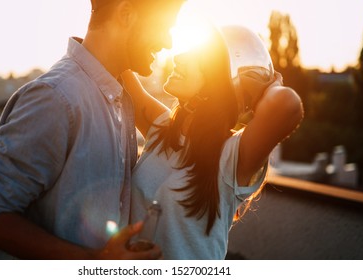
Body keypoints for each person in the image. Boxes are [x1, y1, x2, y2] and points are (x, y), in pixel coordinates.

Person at [0, 0, 184, 259]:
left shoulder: (120, 99)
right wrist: (97, 261)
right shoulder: (56, 98)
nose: (168, 43)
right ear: (126, 14)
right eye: (163, 27)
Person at [122, 25, 304, 259]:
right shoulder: (162, 130)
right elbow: (117, 67)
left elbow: (287, 105)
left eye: (196, 58)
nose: (178, 58)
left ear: (218, 82)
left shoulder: (231, 158)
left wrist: (266, 83)